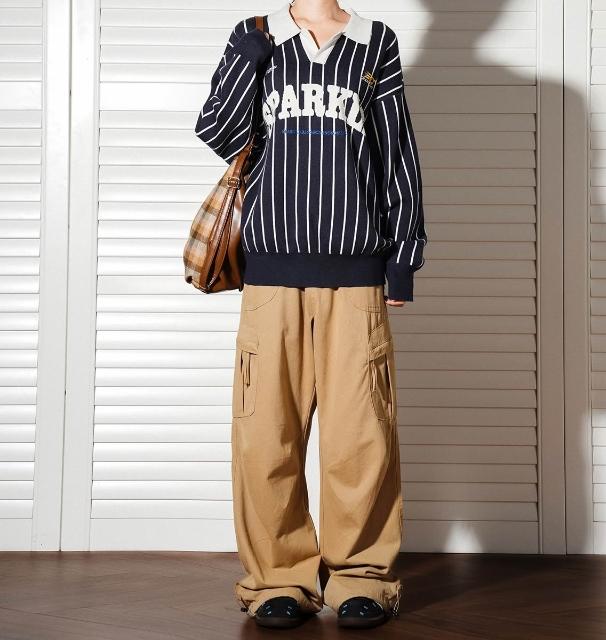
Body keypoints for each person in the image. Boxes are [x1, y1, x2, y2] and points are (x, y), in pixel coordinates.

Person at [195, 0, 426, 629]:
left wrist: (402, 260)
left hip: (356, 274)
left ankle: (363, 577)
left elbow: (397, 154)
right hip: (270, 276)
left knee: (361, 436)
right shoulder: (255, 37)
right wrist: (248, 59)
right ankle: (278, 580)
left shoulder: (376, 41)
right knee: (265, 434)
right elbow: (220, 133)